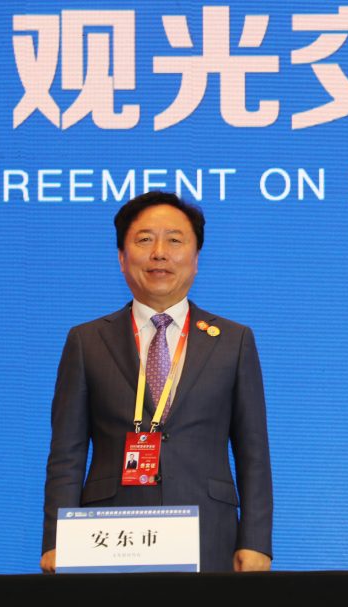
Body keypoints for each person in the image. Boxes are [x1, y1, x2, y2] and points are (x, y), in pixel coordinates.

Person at [41, 191, 273, 573]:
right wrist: (56, 539)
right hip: (110, 537)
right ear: (121, 257)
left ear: (196, 258)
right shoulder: (86, 341)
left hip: (209, 532)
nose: (159, 253)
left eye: (175, 240)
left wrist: (256, 541)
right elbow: (67, 453)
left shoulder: (234, 341)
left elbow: (254, 453)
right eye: (145, 239)